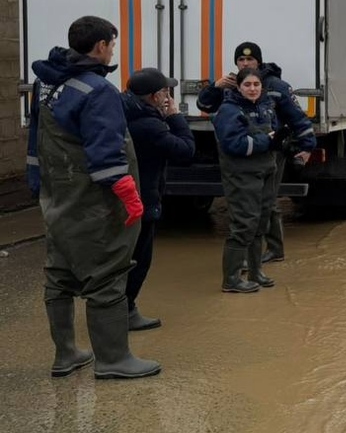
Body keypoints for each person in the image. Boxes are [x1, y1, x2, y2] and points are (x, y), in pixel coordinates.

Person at [24, 16, 160, 379]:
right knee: (107, 276)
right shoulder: (99, 91)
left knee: (59, 274)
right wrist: (131, 197)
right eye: (112, 44)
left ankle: (66, 354)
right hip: (93, 204)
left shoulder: (46, 83)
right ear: (101, 46)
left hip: (59, 198)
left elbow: (36, 139)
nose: (112, 50)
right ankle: (113, 359)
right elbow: (106, 153)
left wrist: (37, 182)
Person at [198, 41, 315, 264]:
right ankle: (250, 259)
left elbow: (298, 118)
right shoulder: (231, 85)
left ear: (258, 62)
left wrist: (307, 146)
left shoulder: (276, 86)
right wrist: (216, 86)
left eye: (249, 60)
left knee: (267, 202)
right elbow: (205, 105)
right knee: (244, 206)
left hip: (271, 153)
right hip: (240, 155)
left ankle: (274, 249)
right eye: (240, 60)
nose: (244, 63)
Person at [122, 68, 196, 330]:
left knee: (123, 258)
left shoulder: (123, 114)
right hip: (142, 200)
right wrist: (175, 117)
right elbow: (186, 152)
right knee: (138, 259)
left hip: (123, 200)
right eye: (166, 91)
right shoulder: (149, 126)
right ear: (155, 97)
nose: (169, 95)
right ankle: (125, 311)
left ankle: (117, 311)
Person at [212, 68, 280, 293]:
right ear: (238, 87)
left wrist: (282, 141)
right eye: (247, 85)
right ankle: (231, 279)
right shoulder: (229, 110)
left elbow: (275, 132)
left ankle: (255, 271)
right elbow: (234, 144)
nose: (252, 89)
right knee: (244, 224)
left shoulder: (266, 106)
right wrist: (265, 141)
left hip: (266, 171)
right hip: (242, 175)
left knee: (261, 221)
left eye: (256, 85)